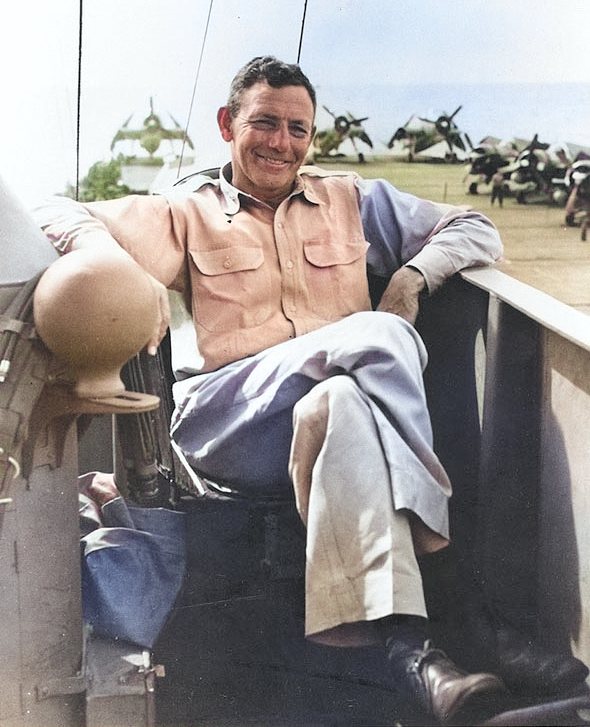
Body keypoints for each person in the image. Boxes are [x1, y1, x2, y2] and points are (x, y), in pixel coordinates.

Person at [34, 56, 588, 724]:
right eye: (264, 122)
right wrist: (114, 266)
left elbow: (474, 226)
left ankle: (413, 652)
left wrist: (413, 275)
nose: (281, 142)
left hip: (317, 419)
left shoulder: (353, 202)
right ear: (227, 126)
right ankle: (462, 604)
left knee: (344, 402)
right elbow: (52, 212)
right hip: (225, 422)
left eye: (298, 128)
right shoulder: (186, 213)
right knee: (378, 340)